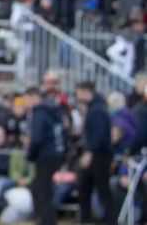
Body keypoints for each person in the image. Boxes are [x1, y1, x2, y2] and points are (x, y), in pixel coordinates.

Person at [74, 81, 116, 225]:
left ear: (86, 91)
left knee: (101, 191)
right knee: (85, 188)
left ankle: (108, 220)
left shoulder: (97, 109)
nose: (77, 95)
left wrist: (89, 152)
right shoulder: (96, 107)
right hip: (98, 155)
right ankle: (86, 219)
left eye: (78, 92)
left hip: (98, 156)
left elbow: (98, 133)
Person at [25, 86, 67, 225]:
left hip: (45, 156)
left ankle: (46, 220)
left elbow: (36, 139)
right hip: (56, 154)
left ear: (34, 97)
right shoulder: (56, 112)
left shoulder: (39, 113)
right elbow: (63, 133)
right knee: (44, 189)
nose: (26, 103)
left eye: (27, 99)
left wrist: (30, 155)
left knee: (40, 190)